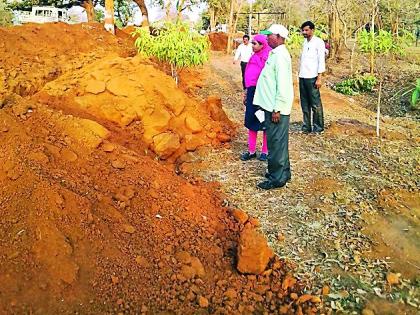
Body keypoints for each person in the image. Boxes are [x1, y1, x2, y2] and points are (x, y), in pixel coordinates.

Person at [253, 24, 294, 190]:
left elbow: (283, 85)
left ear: (278, 36)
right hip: (271, 106)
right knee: (279, 142)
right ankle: (283, 172)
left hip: (276, 109)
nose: (267, 38)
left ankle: (276, 178)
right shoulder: (275, 53)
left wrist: (277, 108)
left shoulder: (281, 56)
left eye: (269, 35)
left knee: (276, 143)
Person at [240, 34, 272, 162]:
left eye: (255, 43)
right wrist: (247, 92)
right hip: (252, 91)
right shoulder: (253, 57)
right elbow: (248, 76)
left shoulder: (267, 59)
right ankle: (251, 151)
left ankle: (265, 151)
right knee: (251, 120)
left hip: (263, 92)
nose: (252, 45)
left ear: (262, 45)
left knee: (264, 121)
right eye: (252, 43)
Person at [298, 21, 326, 133]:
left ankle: (318, 127)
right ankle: (306, 127)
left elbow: (321, 60)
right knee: (304, 103)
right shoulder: (304, 42)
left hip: (313, 77)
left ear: (312, 30)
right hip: (302, 76)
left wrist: (319, 78)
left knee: (315, 104)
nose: (304, 32)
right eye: (303, 30)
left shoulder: (318, 42)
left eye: (306, 30)